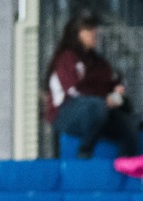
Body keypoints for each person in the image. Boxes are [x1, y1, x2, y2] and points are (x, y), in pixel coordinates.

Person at [44, 12, 138, 159]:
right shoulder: (66, 57)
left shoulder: (98, 62)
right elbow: (73, 89)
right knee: (97, 106)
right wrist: (105, 99)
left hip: (98, 110)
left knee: (127, 125)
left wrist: (117, 94)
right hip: (64, 112)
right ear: (77, 34)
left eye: (94, 29)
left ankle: (125, 168)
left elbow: (115, 82)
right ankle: (84, 152)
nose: (94, 33)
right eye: (88, 29)